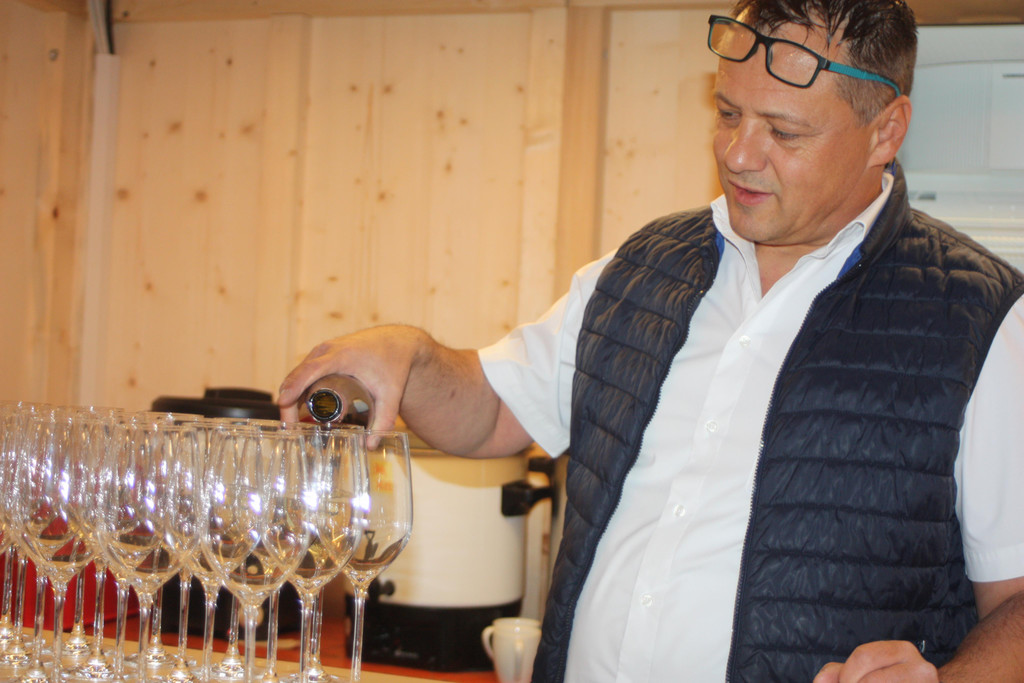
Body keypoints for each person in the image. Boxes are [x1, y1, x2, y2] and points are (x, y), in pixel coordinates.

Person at [279, 0, 1024, 679]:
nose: (738, 153)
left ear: (885, 131)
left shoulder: (979, 317)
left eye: (784, 131)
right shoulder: (639, 267)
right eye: (728, 114)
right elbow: (493, 410)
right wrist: (409, 357)